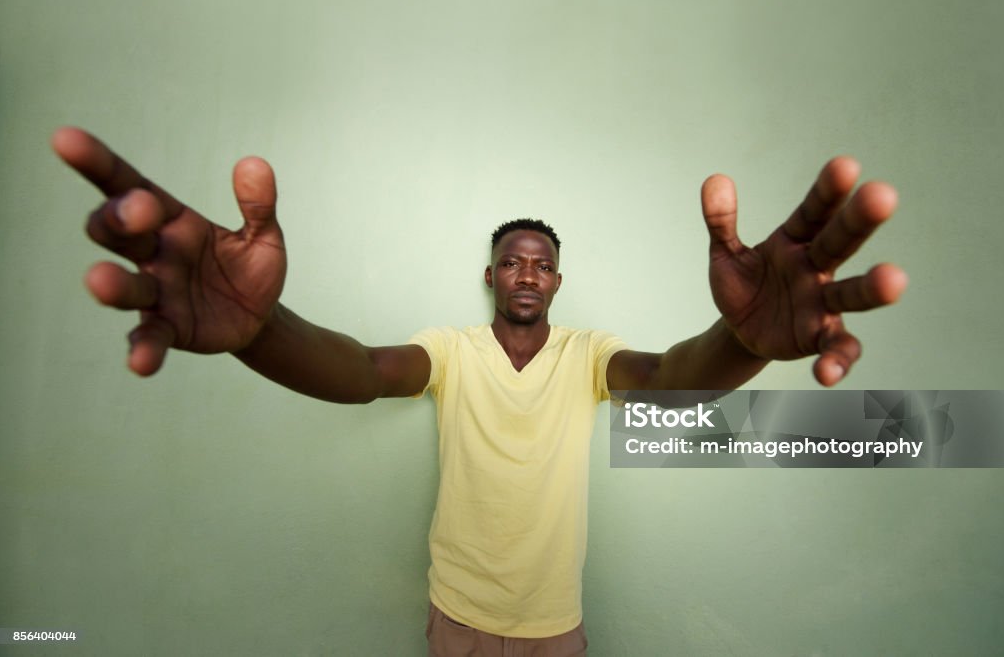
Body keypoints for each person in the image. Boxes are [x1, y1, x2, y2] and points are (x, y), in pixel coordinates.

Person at [52, 126, 907, 656]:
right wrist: (260, 331)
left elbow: (672, 381)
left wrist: (743, 343)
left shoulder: (586, 355)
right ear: (491, 275)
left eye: (542, 262)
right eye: (513, 260)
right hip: (456, 614)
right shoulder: (453, 351)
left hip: (554, 623)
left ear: (559, 281)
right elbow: (357, 372)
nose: (527, 271)